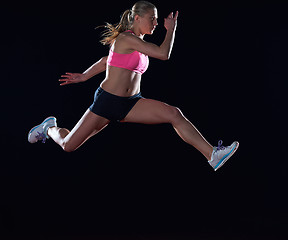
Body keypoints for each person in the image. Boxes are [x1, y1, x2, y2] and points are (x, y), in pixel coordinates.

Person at [27, 1, 238, 171]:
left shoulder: (138, 43)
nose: (156, 22)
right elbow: (164, 54)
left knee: (174, 113)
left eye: (157, 19)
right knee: (68, 145)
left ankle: (212, 155)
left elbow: (105, 61)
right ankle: (49, 128)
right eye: (152, 18)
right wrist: (171, 30)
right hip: (107, 102)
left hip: (131, 103)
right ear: (137, 18)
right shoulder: (126, 40)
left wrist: (84, 76)